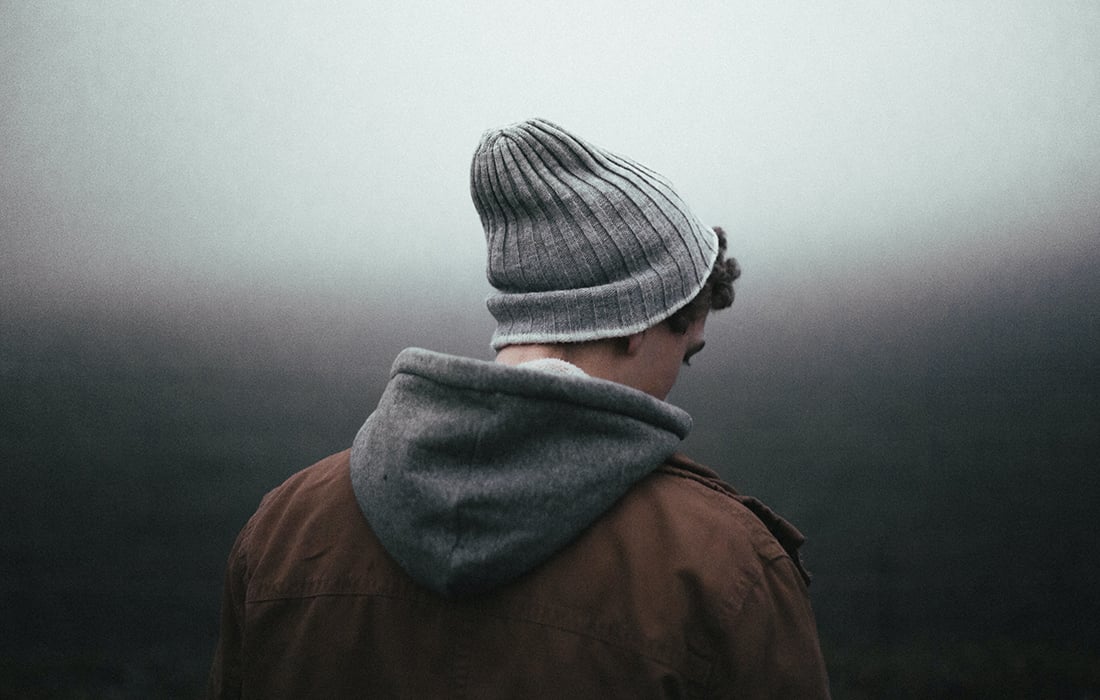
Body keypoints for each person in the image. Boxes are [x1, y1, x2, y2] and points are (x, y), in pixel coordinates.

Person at [206, 118, 830, 698]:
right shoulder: (726, 568)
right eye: (685, 352)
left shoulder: (282, 532)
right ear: (636, 322)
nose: (677, 377)